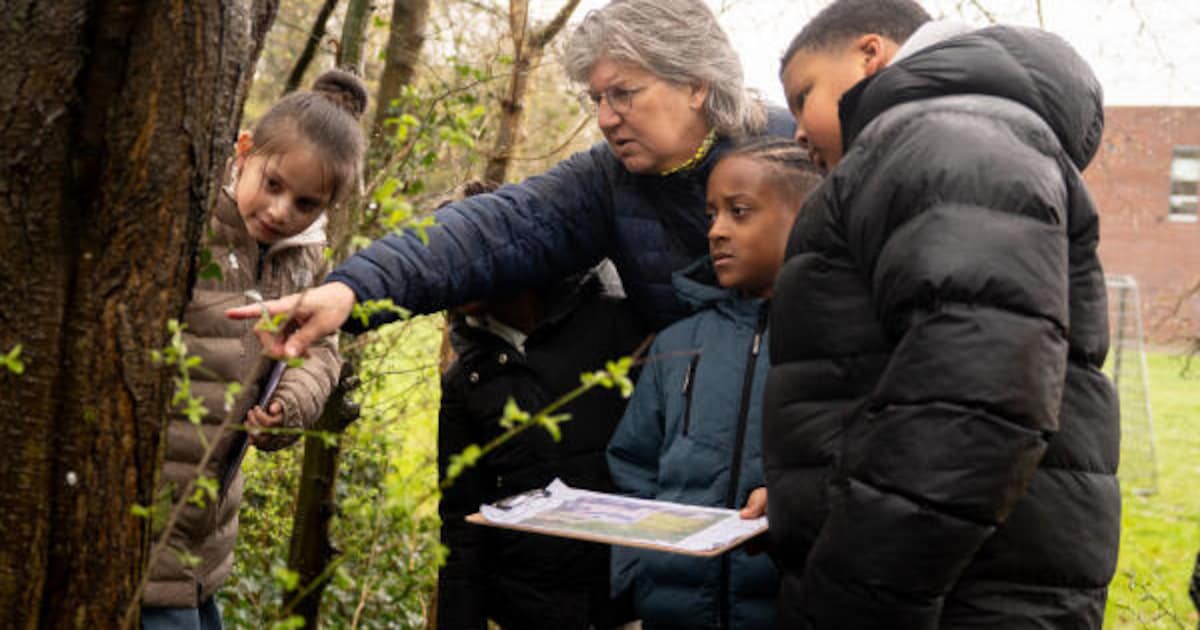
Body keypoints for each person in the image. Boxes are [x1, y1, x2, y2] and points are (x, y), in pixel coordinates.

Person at [763, 1, 1120, 628]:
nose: (795, 131)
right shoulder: (945, 137)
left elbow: (973, 397)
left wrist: (850, 601)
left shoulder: (942, 134)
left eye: (802, 96)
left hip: (952, 603)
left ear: (869, 55)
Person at [225, 0, 794, 358]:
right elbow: (496, 229)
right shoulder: (608, 179)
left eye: (624, 93)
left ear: (695, 84)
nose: (604, 118)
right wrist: (354, 289)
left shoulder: (797, 155)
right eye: (598, 98)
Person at [141, 70, 366, 629]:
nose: (282, 211)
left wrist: (287, 406)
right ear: (244, 152)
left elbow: (320, 352)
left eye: (306, 203)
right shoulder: (190, 225)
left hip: (209, 521)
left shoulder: (305, 260)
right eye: (273, 185)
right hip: (146, 502)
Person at [606, 137, 822, 630]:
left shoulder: (835, 339)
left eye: (740, 212)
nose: (717, 232)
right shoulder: (677, 344)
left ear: (807, 217)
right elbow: (633, 466)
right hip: (671, 612)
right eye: (712, 215)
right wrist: (637, 577)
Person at [435, 181, 642, 630]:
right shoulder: (467, 379)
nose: (454, 271)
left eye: (466, 250)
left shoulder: (613, 318)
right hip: (527, 610)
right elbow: (461, 523)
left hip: (628, 601)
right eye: (442, 260)